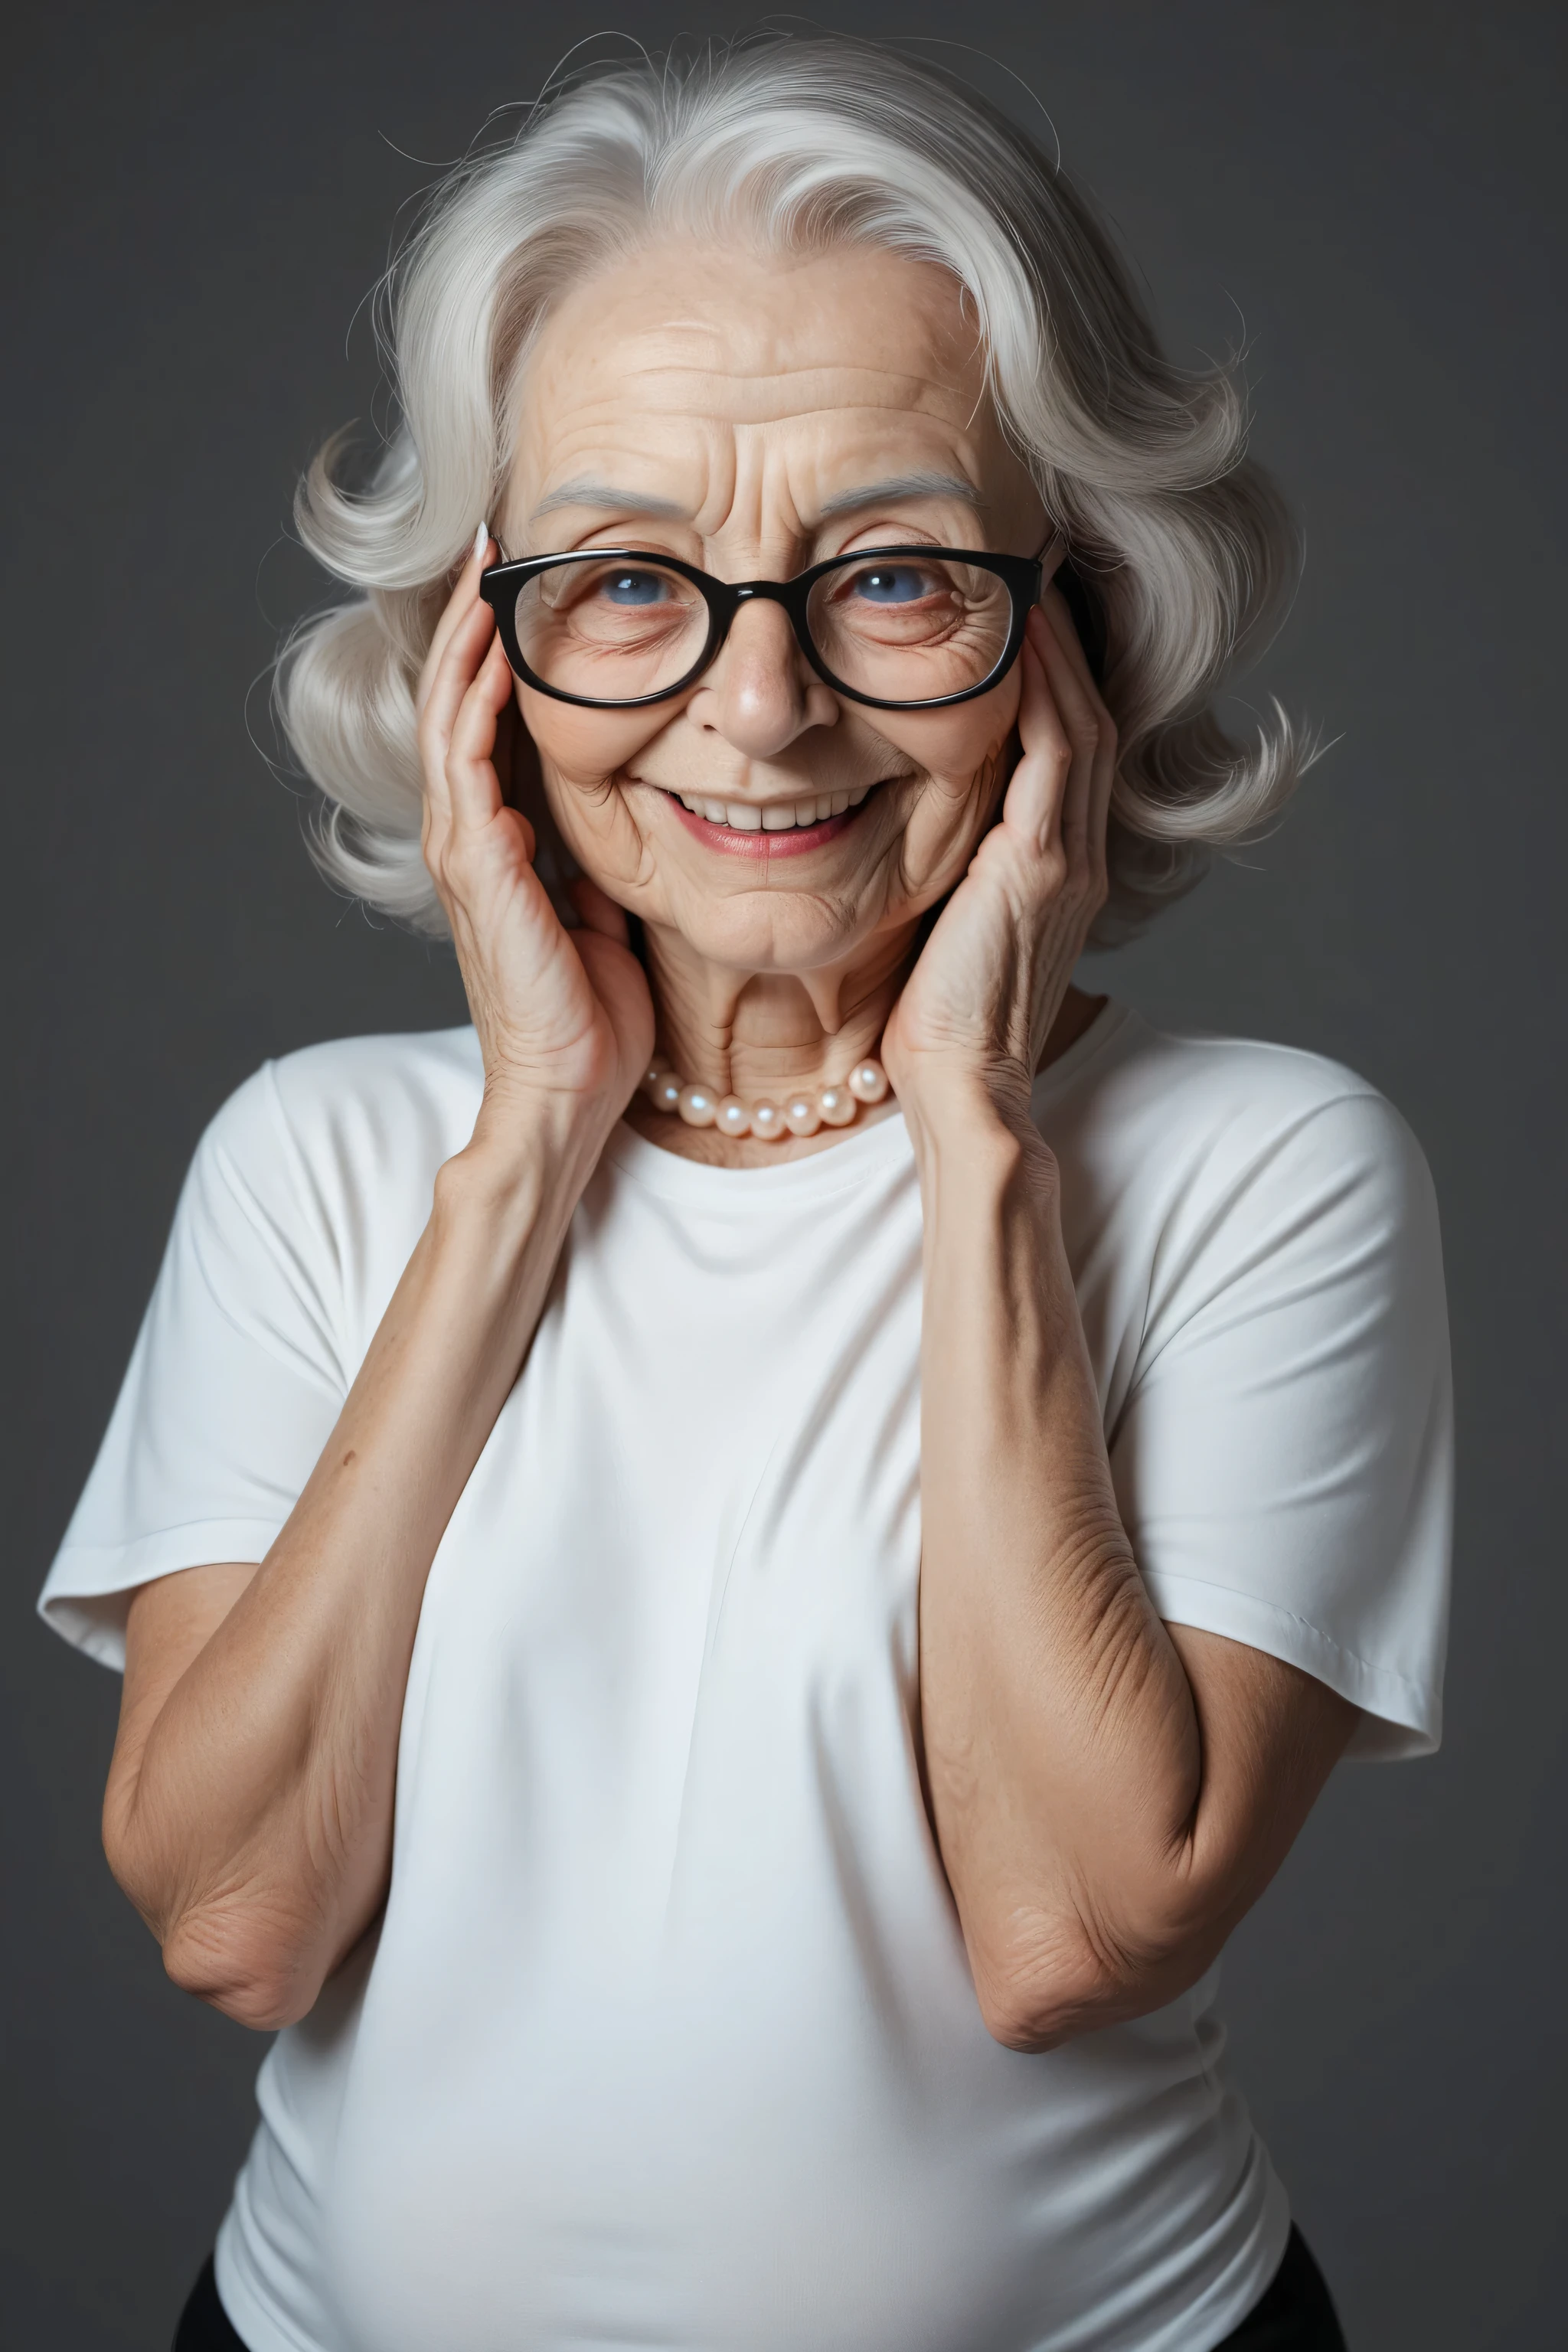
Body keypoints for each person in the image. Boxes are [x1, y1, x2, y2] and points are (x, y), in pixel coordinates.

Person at [39, 36, 1451, 2352]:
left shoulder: (1264, 1173)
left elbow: (1069, 1933)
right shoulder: (319, 1159)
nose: (760, 708)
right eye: (624, 580)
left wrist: (977, 1128)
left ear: (1069, 634)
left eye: (892, 575)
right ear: (475, 650)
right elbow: (234, 1917)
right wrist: (518, 1155)